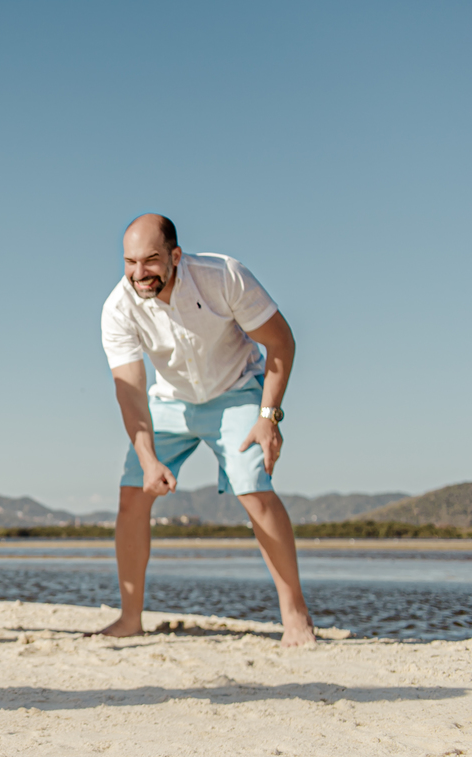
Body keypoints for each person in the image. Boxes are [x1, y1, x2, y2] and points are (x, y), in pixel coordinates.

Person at [99, 214, 315, 647]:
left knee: (252, 487)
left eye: (151, 260)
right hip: (170, 401)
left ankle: (295, 614)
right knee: (131, 494)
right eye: (130, 262)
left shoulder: (223, 277)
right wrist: (148, 460)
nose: (139, 273)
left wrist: (268, 417)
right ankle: (130, 618)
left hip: (236, 389)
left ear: (176, 256)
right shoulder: (117, 309)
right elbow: (130, 392)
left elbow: (281, 342)